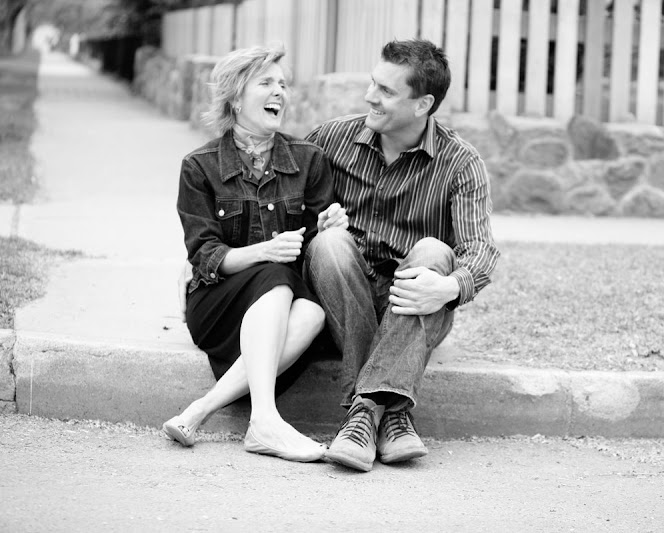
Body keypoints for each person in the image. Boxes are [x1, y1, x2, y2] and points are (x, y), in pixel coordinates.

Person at [305, 39, 500, 472]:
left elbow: (481, 249)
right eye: (373, 83)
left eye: (386, 91)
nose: (369, 96)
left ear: (422, 104)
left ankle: (362, 415)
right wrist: (314, 224)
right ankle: (391, 413)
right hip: (344, 298)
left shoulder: (460, 162)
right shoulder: (330, 139)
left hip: (415, 305)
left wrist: (449, 287)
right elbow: (287, 210)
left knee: (433, 250)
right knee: (330, 243)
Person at [163, 44, 347, 463]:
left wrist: (329, 228)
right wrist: (264, 251)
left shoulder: (309, 160)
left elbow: (313, 249)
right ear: (235, 97)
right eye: (266, 82)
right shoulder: (199, 166)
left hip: (277, 314)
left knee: (312, 313)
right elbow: (206, 256)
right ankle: (265, 419)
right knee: (275, 275)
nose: (279, 92)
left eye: (283, 84)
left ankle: (201, 410)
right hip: (219, 304)